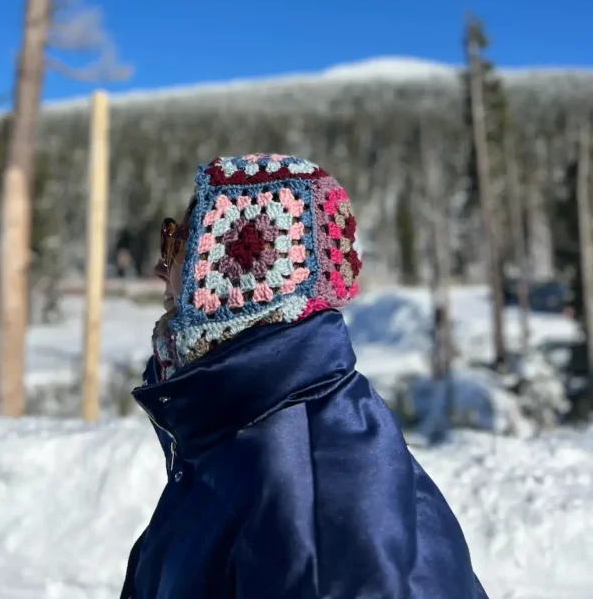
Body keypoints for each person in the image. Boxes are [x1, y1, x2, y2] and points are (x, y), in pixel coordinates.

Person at [120, 154, 488, 599]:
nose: (161, 267)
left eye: (177, 242)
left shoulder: (311, 514)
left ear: (230, 272)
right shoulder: (241, 432)